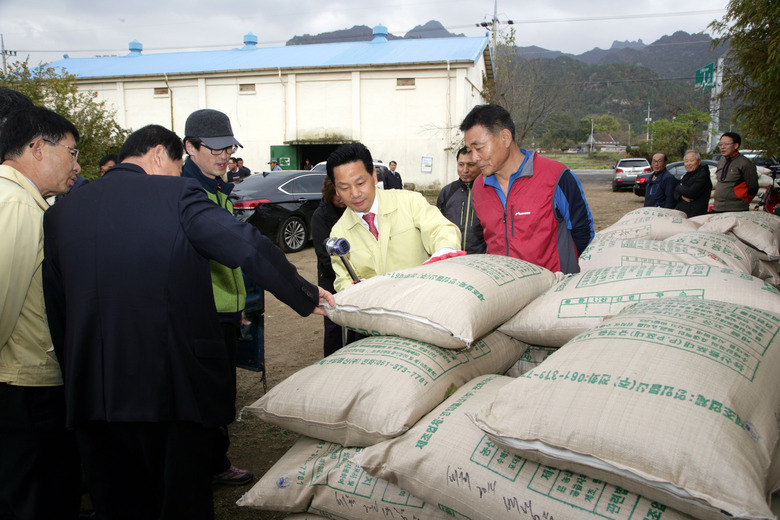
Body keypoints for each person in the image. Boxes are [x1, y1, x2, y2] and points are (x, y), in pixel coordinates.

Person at [42, 124, 333, 520]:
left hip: (93, 396)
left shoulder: (63, 211)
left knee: (117, 503)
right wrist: (302, 292)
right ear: (160, 154)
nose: (180, 175)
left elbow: (58, 310)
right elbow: (245, 246)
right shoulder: (178, 194)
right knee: (180, 500)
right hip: (169, 391)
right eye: (179, 166)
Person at [0, 102, 83, 519]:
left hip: (32, 377)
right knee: (33, 494)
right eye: (70, 152)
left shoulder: (27, 200)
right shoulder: (13, 204)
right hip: (23, 385)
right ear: (37, 147)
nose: (76, 164)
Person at [180, 108, 255, 486]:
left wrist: (239, 307)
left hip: (224, 312)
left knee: (222, 388)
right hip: (201, 316)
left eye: (230, 148)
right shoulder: (188, 192)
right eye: (216, 149)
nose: (225, 156)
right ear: (190, 147)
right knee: (207, 393)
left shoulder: (217, 187)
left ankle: (211, 459)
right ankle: (209, 464)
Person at [460, 104, 593, 274]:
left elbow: (583, 232)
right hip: (505, 290)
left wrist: (563, 270)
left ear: (505, 138)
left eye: (478, 148)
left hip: (552, 289)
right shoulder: (479, 187)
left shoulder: (556, 177)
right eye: (470, 150)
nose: (475, 158)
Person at [328, 142, 462, 292]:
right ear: (336, 190)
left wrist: (445, 249)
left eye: (360, 183)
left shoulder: (410, 202)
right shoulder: (339, 233)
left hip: (421, 299)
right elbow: (342, 279)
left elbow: (440, 229)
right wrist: (356, 291)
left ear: (373, 175)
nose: (355, 193)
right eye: (345, 187)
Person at [311, 176, 348, 356]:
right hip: (330, 280)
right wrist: (343, 272)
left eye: (344, 191)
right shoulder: (320, 216)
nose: (341, 197)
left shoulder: (352, 211)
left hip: (353, 278)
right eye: (336, 193)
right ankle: (333, 361)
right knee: (333, 325)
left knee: (357, 325)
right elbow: (323, 254)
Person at [436, 146, 486, 254]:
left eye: (471, 165)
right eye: (461, 164)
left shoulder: (488, 191)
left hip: (479, 257)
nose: (465, 170)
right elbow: (437, 225)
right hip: (452, 256)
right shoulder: (447, 192)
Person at [712, 132, 758, 212]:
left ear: (736, 145)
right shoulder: (721, 162)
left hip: (736, 209)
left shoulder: (745, 163)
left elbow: (753, 188)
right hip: (717, 208)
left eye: (726, 144)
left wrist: (742, 200)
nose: (723, 147)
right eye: (721, 144)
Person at [675, 150, 713, 217]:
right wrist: (681, 196)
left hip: (695, 215)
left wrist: (678, 187)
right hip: (682, 214)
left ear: (699, 162)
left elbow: (691, 193)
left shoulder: (703, 176)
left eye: (691, 160)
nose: (688, 163)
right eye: (686, 161)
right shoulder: (687, 175)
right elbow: (674, 193)